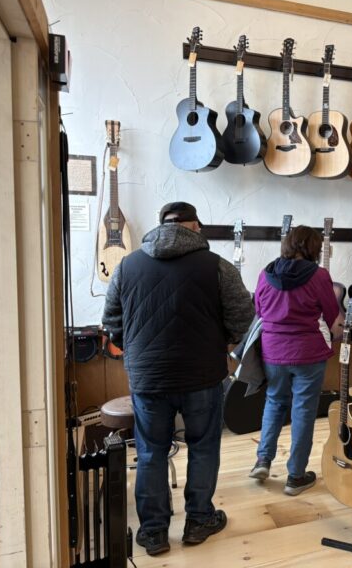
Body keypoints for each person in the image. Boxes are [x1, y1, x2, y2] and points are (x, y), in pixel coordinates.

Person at [102, 202, 253, 556]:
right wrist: (220, 342)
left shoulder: (128, 266)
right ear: (195, 227)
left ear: (159, 227)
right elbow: (243, 319)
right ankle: (199, 520)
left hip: (148, 378)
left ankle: (153, 532)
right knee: (202, 446)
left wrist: (138, 352)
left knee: (150, 451)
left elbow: (112, 322)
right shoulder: (218, 267)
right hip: (202, 375)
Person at [248, 225, 341, 495]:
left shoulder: (266, 273)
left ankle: (263, 460)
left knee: (274, 401)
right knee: (303, 410)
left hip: (273, 351)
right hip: (308, 352)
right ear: (314, 247)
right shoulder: (319, 275)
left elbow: (259, 309)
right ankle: (295, 476)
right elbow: (331, 311)